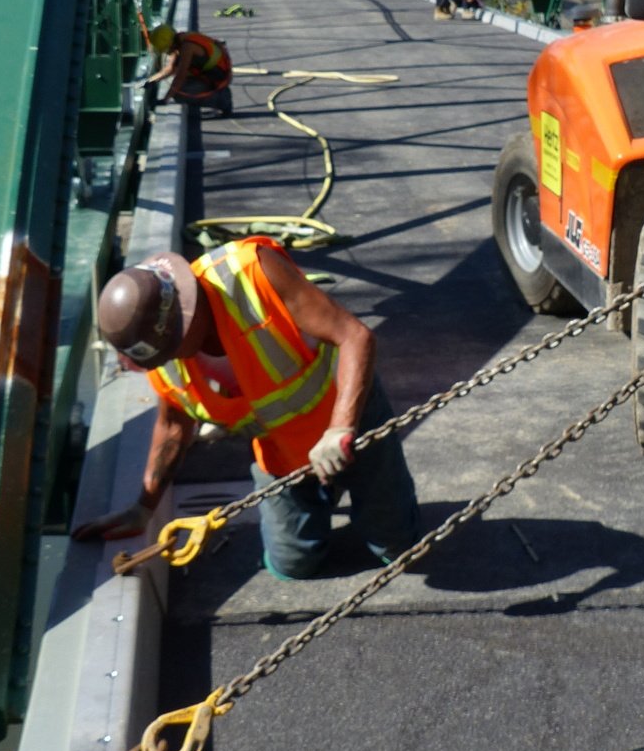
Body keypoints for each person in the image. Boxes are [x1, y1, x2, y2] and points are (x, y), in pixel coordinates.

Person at [73, 241, 420, 579]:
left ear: (186, 313)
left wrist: (341, 428)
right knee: (294, 565)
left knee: (399, 549)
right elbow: (174, 426)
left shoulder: (252, 272)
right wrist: (143, 508)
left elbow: (354, 336)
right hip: (283, 454)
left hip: (351, 421)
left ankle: (367, 494)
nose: (172, 359)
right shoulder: (162, 357)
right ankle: (320, 495)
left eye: (172, 348)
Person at [148, 25, 233, 114]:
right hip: (210, 74)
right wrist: (150, 81)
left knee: (179, 94)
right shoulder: (182, 39)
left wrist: (166, 99)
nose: (167, 52)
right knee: (180, 85)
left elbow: (180, 75)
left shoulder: (188, 46)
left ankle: (222, 100)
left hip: (218, 76)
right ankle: (216, 94)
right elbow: (170, 69)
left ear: (170, 45)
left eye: (166, 49)